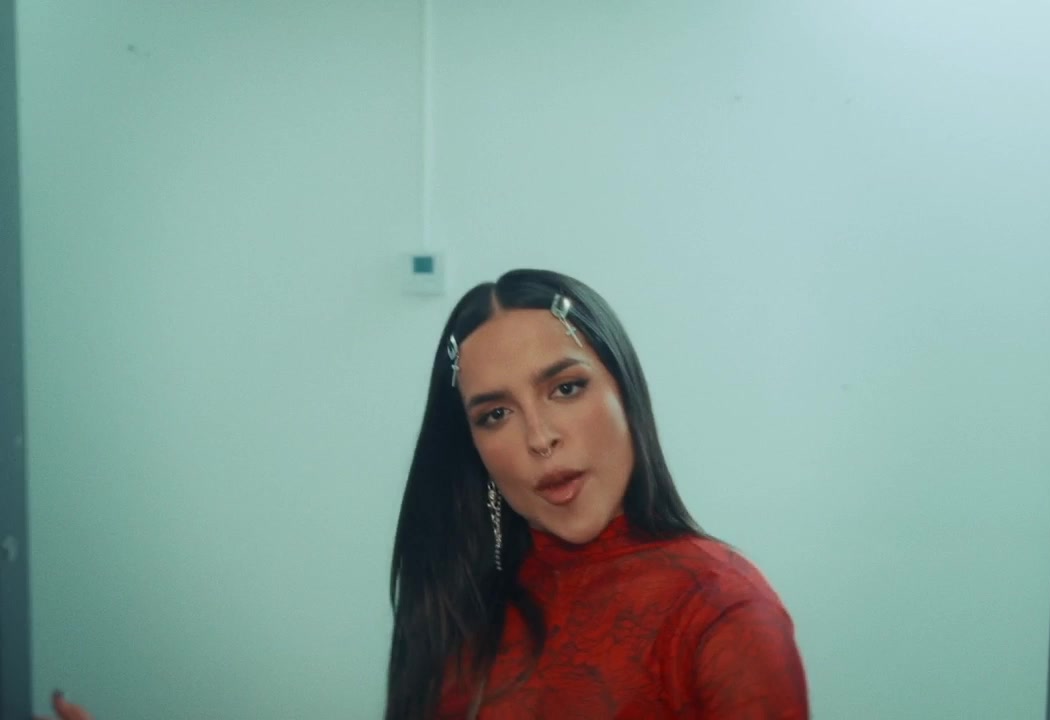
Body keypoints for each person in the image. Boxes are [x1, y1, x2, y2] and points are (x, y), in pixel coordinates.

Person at [37, 269, 809, 720]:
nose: (539, 437)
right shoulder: (459, 599)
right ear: (471, 445)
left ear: (624, 393)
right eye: (495, 414)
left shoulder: (722, 609)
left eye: (566, 388)